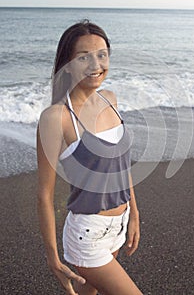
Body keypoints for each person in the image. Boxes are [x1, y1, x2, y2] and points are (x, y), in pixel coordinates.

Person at [37, 19, 142, 295]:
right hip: (88, 236)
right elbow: (45, 194)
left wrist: (134, 214)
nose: (96, 65)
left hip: (119, 225)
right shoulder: (57, 118)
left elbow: (122, 165)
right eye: (84, 57)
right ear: (67, 64)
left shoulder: (110, 98)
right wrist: (53, 258)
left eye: (101, 54)